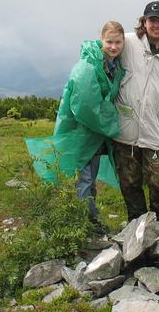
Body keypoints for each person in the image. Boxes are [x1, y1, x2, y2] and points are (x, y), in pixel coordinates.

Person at [51, 21, 126, 232]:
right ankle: (82, 226)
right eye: (109, 42)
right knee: (83, 180)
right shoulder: (88, 66)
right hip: (82, 132)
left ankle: (89, 221)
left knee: (89, 178)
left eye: (118, 42)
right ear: (101, 40)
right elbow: (85, 106)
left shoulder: (111, 64)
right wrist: (112, 123)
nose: (113, 47)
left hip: (93, 134)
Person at [114, 1, 159, 225]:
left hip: (156, 133)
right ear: (144, 22)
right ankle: (136, 227)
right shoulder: (128, 43)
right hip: (126, 131)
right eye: (152, 20)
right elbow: (105, 50)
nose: (156, 25)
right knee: (130, 184)